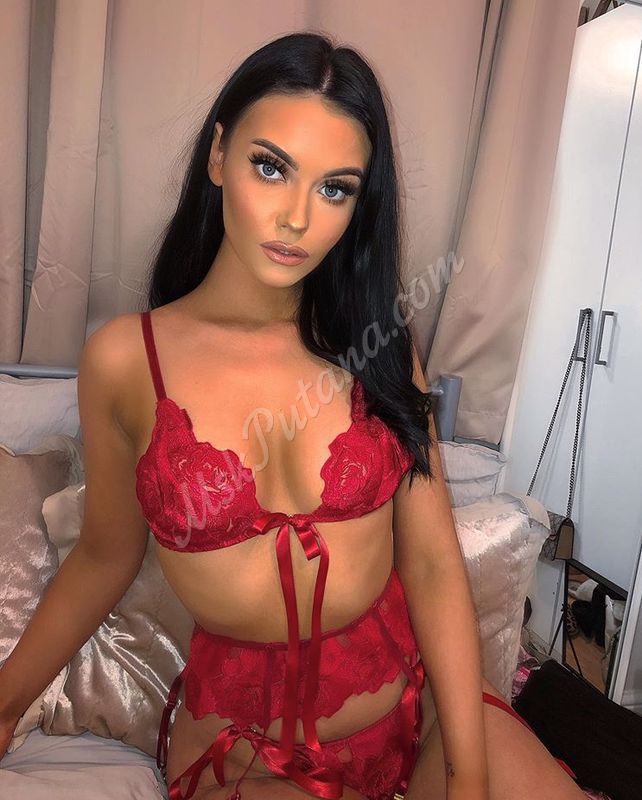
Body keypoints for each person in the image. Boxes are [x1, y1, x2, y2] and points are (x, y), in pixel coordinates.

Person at [0, 31, 588, 800]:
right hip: (245, 751)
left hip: (418, 714)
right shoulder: (126, 360)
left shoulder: (380, 345)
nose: (297, 217)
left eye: (335, 188)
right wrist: (6, 703)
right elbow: (105, 556)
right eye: (271, 167)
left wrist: (466, 774)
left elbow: (433, 563)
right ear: (219, 156)